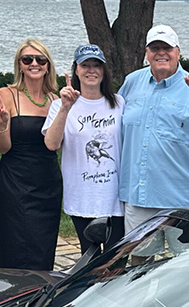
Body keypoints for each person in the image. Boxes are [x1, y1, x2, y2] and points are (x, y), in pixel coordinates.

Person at [118, 25, 189, 232]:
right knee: (140, 260)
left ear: (178, 52)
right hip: (139, 195)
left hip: (182, 198)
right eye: (155, 48)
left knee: (186, 262)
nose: (161, 53)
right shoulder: (131, 83)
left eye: (167, 48)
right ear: (146, 53)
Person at [44, 44, 126, 254]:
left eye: (97, 65)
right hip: (82, 194)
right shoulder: (60, 105)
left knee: (115, 257)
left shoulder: (118, 103)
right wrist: (65, 108)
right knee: (88, 257)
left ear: (104, 71)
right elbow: (52, 145)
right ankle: (89, 288)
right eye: (85, 65)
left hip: (114, 195)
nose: (91, 70)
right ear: (76, 70)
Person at [0, 38, 63, 270]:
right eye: (28, 59)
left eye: (40, 59)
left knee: (43, 246)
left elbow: (59, 144)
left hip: (47, 182)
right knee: (14, 243)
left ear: (48, 65)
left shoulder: (56, 100)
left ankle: (40, 297)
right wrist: (2, 124)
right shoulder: (6, 94)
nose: (35, 63)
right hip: (16, 182)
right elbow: (2, 147)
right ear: (19, 65)